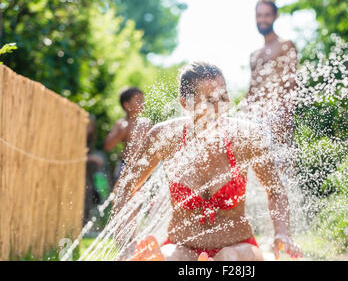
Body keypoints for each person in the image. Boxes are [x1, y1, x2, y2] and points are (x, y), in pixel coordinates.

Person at [111, 62, 302, 261]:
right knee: (169, 259)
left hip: (238, 246)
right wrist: (128, 242)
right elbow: (125, 188)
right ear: (185, 103)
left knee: (228, 257)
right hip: (182, 246)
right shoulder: (164, 136)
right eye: (209, 101)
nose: (220, 108)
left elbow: (275, 190)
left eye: (224, 97)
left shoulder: (247, 137)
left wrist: (282, 233)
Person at [244, 0, 299, 145]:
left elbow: (293, 83)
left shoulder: (285, 45)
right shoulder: (254, 55)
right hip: (256, 117)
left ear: (275, 16)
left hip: (277, 115)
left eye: (267, 15)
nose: (262, 19)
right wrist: (244, 114)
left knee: (280, 164)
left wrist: (286, 118)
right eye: (259, 15)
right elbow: (252, 89)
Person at [104, 87, 152, 189]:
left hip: (142, 166)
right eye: (138, 101)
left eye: (143, 101)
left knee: (141, 196)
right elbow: (108, 146)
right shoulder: (121, 124)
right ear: (126, 105)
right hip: (125, 166)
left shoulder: (146, 123)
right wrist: (122, 133)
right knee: (123, 195)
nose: (142, 104)